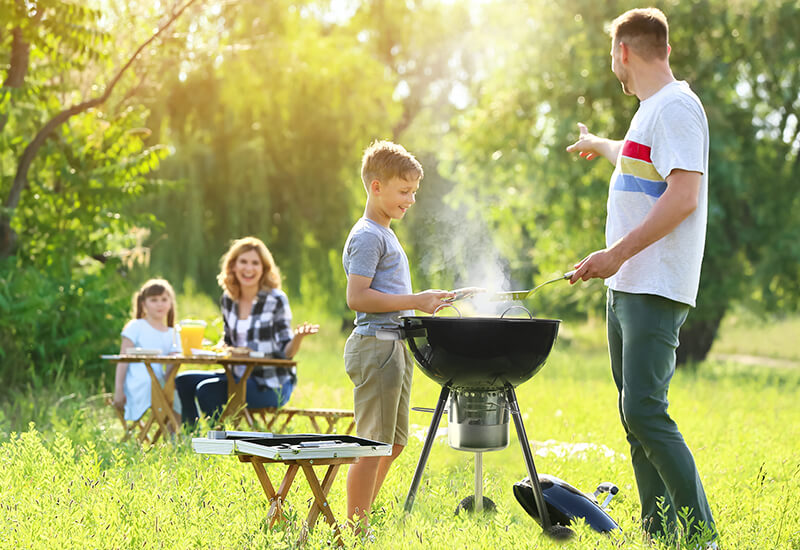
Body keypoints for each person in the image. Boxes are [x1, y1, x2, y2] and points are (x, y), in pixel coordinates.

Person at [565, 7, 716, 545]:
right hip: (628, 285)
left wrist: (616, 254)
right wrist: (599, 144)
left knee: (646, 411)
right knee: (635, 418)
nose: (614, 67)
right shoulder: (652, 111)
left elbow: (683, 196)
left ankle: (701, 536)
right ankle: (661, 534)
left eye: (613, 57)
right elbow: (637, 162)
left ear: (622, 52)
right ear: (664, 49)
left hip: (651, 283)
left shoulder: (676, 107)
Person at [342, 140, 453, 530]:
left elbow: (387, 292)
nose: (410, 200)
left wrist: (423, 303)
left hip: (395, 346)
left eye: (413, 193)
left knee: (396, 442)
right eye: (403, 192)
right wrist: (416, 300)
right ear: (376, 187)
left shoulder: (385, 233)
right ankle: (356, 529)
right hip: (377, 346)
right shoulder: (369, 235)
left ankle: (361, 518)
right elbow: (357, 298)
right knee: (373, 445)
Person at [175, 236, 318, 425]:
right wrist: (214, 348)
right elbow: (229, 342)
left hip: (269, 383)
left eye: (255, 263)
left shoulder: (275, 300)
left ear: (264, 268)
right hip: (235, 377)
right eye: (243, 262)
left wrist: (298, 337)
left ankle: (219, 440)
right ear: (233, 265)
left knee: (206, 390)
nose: (248, 268)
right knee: (183, 381)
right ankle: (189, 437)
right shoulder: (229, 299)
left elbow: (286, 352)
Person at [113, 278, 181, 422]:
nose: (160, 304)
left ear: (170, 303)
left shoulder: (173, 333)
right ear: (143, 304)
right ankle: (179, 435)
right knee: (175, 395)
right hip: (139, 382)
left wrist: (173, 361)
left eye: (164, 299)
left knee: (182, 389)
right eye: (154, 300)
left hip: (160, 381)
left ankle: (178, 435)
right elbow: (123, 359)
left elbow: (170, 371)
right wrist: (118, 389)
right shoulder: (136, 326)